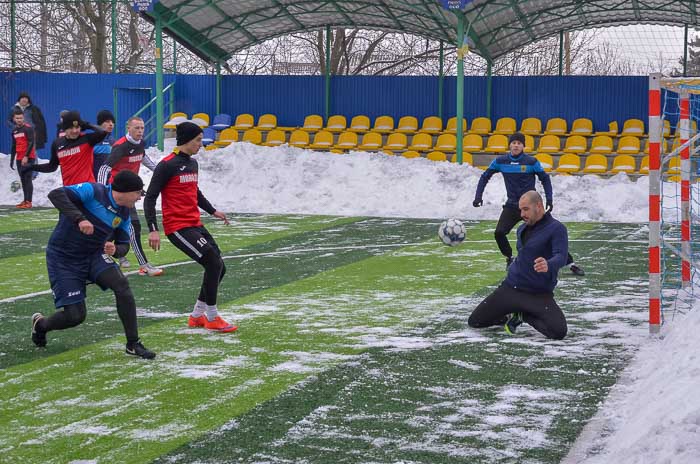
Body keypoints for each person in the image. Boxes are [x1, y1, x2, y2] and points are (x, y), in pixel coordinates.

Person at [31, 170, 156, 359]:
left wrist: (116, 250)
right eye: (138, 192)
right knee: (75, 316)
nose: (139, 198)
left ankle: (133, 344)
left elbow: (123, 245)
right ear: (125, 191)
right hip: (63, 258)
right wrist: (80, 218)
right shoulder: (94, 190)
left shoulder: (124, 214)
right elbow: (56, 194)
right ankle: (41, 325)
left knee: (121, 285)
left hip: (93, 256)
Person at [144, 121, 237, 333]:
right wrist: (153, 228)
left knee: (220, 266)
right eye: (197, 140)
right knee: (213, 263)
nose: (200, 145)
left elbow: (194, 192)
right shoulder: (166, 165)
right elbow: (150, 197)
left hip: (194, 223)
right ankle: (212, 317)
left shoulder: (193, 164)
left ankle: (196, 316)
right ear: (186, 140)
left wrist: (213, 211)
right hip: (177, 227)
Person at [472, 132, 585, 276]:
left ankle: (571, 264)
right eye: (514, 143)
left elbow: (545, 179)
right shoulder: (501, 161)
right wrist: (478, 196)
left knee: (546, 235)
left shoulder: (531, 162)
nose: (516, 145)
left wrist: (549, 199)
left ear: (523, 146)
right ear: (510, 145)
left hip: (531, 207)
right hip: (513, 205)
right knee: (499, 233)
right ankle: (510, 258)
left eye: (519, 143)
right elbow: (485, 176)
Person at [468, 191, 568, 340]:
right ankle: (509, 312)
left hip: (538, 295)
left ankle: (523, 315)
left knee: (559, 332)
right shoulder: (522, 229)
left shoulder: (557, 228)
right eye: (520, 210)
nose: (522, 214)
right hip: (511, 289)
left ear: (539, 206)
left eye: (526, 209)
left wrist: (549, 264)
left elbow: (561, 256)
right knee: (475, 322)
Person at [97, 116, 163, 277]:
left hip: (130, 194)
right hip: (117, 194)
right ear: (129, 129)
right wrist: (101, 191)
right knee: (132, 227)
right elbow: (104, 169)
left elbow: (144, 158)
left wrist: (161, 172)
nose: (140, 131)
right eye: (137, 128)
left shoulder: (140, 144)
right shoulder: (120, 147)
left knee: (117, 226)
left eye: (142, 128)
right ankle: (143, 265)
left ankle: (104, 255)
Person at [31, 110, 108, 186]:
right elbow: (52, 167)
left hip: (87, 189)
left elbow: (103, 132)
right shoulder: (57, 144)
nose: (74, 131)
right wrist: (31, 167)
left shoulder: (87, 139)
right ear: (65, 129)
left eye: (77, 127)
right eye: (71, 128)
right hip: (69, 191)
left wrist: (86, 125)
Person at [9, 109, 36, 209]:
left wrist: (26, 156)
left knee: (28, 179)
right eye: (17, 118)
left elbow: (31, 142)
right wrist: (12, 159)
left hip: (28, 158)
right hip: (19, 158)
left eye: (20, 118)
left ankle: (29, 201)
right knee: (23, 179)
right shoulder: (14, 131)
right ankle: (25, 201)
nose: (19, 120)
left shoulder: (28, 128)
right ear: (14, 119)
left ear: (23, 118)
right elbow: (13, 145)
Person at [93, 110, 115, 180]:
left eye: (112, 122)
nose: (111, 124)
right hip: (95, 183)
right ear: (100, 123)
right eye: (107, 121)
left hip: (110, 182)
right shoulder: (93, 140)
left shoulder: (113, 141)